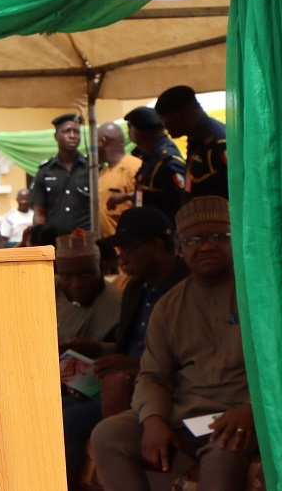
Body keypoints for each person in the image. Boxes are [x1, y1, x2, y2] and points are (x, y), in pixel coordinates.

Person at [92, 197, 255, 490]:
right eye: (194, 239)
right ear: (181, 248)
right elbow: (154, 375)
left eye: (219, 237)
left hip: (240, 416)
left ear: (237, 239)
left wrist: (252, 408)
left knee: (222, 453)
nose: (206, 246)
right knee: (109, 434)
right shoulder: (169, 306)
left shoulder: (260, 294)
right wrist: (152, 419)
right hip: (187, 415)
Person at [59, 207, 189, 488]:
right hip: (121, 385)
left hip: (157, 390)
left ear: (157, 246)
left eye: (128, 248)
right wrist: (97, 350)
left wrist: (130, 366)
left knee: (68, 419)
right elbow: (126, 349)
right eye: (119, 250)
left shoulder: (186, 288)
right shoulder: (135, 288)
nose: (122, 258)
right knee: (52, 406)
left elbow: (186, 360)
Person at [154, 85, 227, 200]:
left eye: (164, 120)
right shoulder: (196, 139)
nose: (164, 127)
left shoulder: (216, 142)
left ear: (176, 117)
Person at [54, 230, 121, 345]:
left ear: (102, 270)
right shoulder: (49, 290)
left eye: (85, 274)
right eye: (66, 276)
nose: (76, 284)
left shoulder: (117, 306)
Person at [123, 106, 186, 225]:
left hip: (166, 236)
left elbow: (181, 204)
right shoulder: (151, 157)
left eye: (130, 127)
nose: (129, 131)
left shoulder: (167, 162)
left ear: (138, 132)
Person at [31, 113, 91, 236]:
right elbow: (39, 212)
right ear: (56, 136)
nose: (72, 136)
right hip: (56, 242)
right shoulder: (45, 171)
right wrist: (40, 237)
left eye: (76, 132)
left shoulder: (91, 168)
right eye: (67, 131)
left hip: (87, 241)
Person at [96, 122, 142, 239]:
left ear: (103, 141)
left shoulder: (135, 168)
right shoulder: (101, 173)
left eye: (94, 142)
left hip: (128, 249)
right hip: (107, 250)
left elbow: (146, 201)